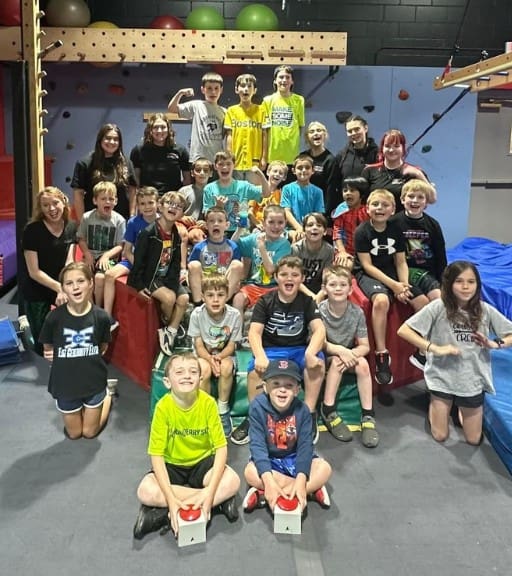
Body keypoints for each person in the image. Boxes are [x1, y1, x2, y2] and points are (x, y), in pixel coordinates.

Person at [397, 261, 512, 445]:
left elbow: (510, 333)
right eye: (459, 281)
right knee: (440, 435)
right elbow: (404, 330)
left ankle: (460, 408)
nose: (466, 287)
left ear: (477, 284)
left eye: (471, 281)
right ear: (449, 283)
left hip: (472, 379)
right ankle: (435, 402)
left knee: (473, 439)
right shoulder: (438, 307)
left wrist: (494, 343)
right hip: (442, 377)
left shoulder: (484, 310)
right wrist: (434, 348)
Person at [133, 353, 240, 540]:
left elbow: (222, 448)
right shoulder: (162, 408)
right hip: (172, 464)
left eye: (192, 371)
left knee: (233, 481)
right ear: (167, 381)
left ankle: (163, 514)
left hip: (202, 463)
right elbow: (156, 455)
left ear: (200, 379)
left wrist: (209, 489)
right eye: (179, 372)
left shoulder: (208, 404)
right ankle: (215, 504)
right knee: (145, 490)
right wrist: (203, 495)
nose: (187, 375)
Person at [231, 256, 326, 446]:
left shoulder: (307, 301)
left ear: (302, 279)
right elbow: (255, 332)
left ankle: (308, 414)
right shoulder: (265, 300)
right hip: (272, 349)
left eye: (294, 275)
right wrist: (260, 355)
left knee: (317, 362)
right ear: (276, 277)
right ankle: (255, 417)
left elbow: (320, 329)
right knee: (255, 372)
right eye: (284, 274)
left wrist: (310, 352)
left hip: (298, 349)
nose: (289, 279)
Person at [353, 189, 428, 403]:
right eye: (375, 204)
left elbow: (401, 261)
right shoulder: (362, 232)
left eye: (385, 205)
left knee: (423, 302)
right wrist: (394, 286)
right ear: (367, 208)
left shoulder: (396, 230)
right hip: (369, 274)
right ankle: (381, 355)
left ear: (393, 209)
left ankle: (421, 349)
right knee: (382, 301)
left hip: (394, 274)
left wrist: (403, 284)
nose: (379, 209)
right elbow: (367, 266)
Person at [242, 359, 332, 513]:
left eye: (289, 386)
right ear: (265, 387)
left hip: (294, 457)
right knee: (249, 472)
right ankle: (308, 490)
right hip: (271, 460)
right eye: (275, 384)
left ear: (297, 390)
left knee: (325, 469)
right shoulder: (257, 407)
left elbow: (305, 446)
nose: (282, 390)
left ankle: (267, 492)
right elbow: (257, 446)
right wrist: (269, 481)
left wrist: (301, 478)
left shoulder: (303, 410)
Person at [39, 262, 115, 440]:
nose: (75, 287)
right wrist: (50, 354)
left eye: (80, 281)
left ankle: (108, 395)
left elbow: (103, 346)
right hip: (65, 385)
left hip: (93, 382)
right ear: (63, 288)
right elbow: (48, 347)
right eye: (69, 283)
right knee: (74, 434)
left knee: (89, 433)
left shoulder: (101, 317)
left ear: (91, 283)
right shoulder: (54, 317)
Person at [319, 265, 379, 447]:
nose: (338, 288)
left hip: (348, 353)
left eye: (343, 285)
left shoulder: (357, 312)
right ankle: (328, 408)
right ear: (324, 289)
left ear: (350, 289)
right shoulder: (319, 310)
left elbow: (365, 346)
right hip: (328, 354)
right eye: (333, 284)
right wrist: (342, 351)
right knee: (337, 362)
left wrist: (351, 354)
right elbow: (320, 343)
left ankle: (368, 414)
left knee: (362, 365)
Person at [391, 179, 447, 369]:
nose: (415, 201)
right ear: (402, 199)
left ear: (426, 201)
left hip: (427, 271)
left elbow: (440, 254)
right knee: (422, 303)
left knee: (440, 301)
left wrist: (443, 281)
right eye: (411, 196)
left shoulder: (433, 225)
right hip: (404, 271)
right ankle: (422, 351)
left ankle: (434, 347)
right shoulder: (394, 222)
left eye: (420, 197)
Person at [127, 191, 190, 355]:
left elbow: (175, 262)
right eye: (170, 203)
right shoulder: (148, 233)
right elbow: (139, 261)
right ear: (160, 206)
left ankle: (170, 330)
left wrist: (174, 281)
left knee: (184, 298)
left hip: (167, 276)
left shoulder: (176, 233)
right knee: (169, 298)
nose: (173, 208)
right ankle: (172, 324)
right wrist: (138, 285)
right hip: (151, 277)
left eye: (179, 206)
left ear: (182, 213)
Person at [21, 186, 77, 355]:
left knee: (69, 329)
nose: (51, 209)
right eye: (45, 205)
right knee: (41, 341)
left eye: (55, 203)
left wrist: (66, 287)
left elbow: (70, 261)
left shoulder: (71, 226)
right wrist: (59, 288)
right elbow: (34, 271)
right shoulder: (32, 231)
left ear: (63, 202)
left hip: (60, 284)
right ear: (41, 208)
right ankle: (26, 326)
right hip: (37, 287)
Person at [188, 274, 243, 438]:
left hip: (224, 353)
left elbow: (232, 345)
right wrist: (210, 360)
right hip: (203, 354)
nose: (215, 300)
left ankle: (222, 409)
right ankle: (205, 410)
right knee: (204, 370)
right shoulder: (197, 314)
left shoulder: (234, 315)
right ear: (203, 297)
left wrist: (218, 358)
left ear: (227, 295)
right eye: (210, 295)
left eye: (220, 295)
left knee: (226, 368)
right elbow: (198, 345)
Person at [103, 186, 159, 325]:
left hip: (156, 263)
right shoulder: (133, 222)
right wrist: (139, 265)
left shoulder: (163, 221)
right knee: (109, 275)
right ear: (138, 206)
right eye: (142, 203)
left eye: (151, 202)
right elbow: (127, 251)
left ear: (158, 203)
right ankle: (107, 317)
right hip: (134, 260)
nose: (147, 207)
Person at [232, 204, 291, 320]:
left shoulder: (285, 245)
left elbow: (271, 270)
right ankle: (237, 334)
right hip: (253, 285)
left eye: (280, 222)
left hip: (274, 287)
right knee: (238, 299)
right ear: (263, 223)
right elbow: (232, 245)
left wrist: (262, 248)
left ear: (285, 224)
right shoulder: (254, 238)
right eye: (271, 222)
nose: (276, 226)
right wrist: (239, 229)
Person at [76, 181, 126, 311]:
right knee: (80, 275)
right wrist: (87, 254)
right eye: (103, 199)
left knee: (99, 278)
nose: (107, 202)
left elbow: (120, 245)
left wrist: (106, 256)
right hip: (90, 255)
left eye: (111, 199)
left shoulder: (119, 220)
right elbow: (81, 238)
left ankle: (98, 308)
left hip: (109, 258)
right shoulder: (87, 217)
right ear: (95, 200)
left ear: (116, 201)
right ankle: (89, 306)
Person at [71, 123, 136, 221]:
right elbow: (78, 194)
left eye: (116, 139)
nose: (112, 142)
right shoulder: (85, 163)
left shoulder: (126, 162)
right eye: (108, 138)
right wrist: (82, 222)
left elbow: (133, 190)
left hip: (121, 221)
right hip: (94, 222)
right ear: (100, 140)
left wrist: (132, 216)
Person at [361, 129, 431, 211]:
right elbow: (361, 202)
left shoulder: (415, 172)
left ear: (403, 148)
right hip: (376, 222)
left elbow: (431, 199)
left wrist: (419, 174)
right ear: (382, 148)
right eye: (387, 146)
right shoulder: (369, 171)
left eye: (396, 146)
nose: (391, 150)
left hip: (405, 222)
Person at [202, 150, 270, 234]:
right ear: (215, 166)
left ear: (234, 165)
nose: (224, 167)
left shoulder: (244, 186)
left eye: (228, 164)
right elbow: (206, 215)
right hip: (219, 234)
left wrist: (260, 174)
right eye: (221, 164)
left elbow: (266, 194)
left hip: (241, 232)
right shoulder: (209, 188)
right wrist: (218, 207)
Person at [187, 206, 244, 305]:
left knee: (237, 264)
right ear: (206, 225)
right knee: (194, 265)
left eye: (220, 221)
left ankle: (222, 303)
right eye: (212, 221)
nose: (216, 224)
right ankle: (198, 304)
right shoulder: (199, 247)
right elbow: (191, 272)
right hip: (205, 286)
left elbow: (237, 275)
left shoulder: (233, 247)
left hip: (224, 286)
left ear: (227, 225)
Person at [326, 115, 378, 219]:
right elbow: (333, 185)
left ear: (366, 128)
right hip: (346, 211)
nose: (353, 133)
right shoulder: (342, 155)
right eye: (350, 131)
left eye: (357, 129)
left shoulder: (378, 154)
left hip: (372, 210)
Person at [167, 72, 225, 163]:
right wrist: (180, 93)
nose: (213, 92)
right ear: (203, 89)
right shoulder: (196, 105)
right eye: (209, 88)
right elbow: (172, 108)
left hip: (216, 161)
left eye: (216, 88)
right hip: (197, 160)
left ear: (221, 90)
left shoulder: (225, 112)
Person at [130, 112, 191, 197]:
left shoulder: (181, 150)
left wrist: (180, 198)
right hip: (148, 200)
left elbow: (187, 180)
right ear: (150, 130)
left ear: (168, 129)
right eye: (155, 127)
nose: (159, 131)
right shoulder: (139, 150)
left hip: (172, 199)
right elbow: (136, 181)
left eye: (163, 127)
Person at [224, 73, 269, 181]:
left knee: (253, 194)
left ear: (255, 90)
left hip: (254, 162)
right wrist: (229, 157)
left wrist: (264, 158)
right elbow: (229, 136)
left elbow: (264, 136)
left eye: (249, 86)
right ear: (236, 89)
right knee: (237, 194)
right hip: (236, 162)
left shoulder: (261, 110)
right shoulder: (231, 111)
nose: (246, 89)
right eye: (243, 86)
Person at [263, 65, 305, 177]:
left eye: (287, 77)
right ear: (275, 81)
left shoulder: (299, 100)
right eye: (281, 77)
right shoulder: (267, 101)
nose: (284, 80)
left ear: (292, 81)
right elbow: (264, 131)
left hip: (291, 157)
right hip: (272, 156)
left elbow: (300, 126)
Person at [291, 212, 335, 303]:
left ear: (325, 231)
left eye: (319, 225)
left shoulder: (329, 250)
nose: (314, 228)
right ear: (304, 230)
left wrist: (319, 296)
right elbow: (293, 277)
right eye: (310, 225)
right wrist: (312, 297)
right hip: (298, 287)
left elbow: (327, 278)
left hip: (319, 289)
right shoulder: (296, 249)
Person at [281, 154, 325, 242]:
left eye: (307, 167)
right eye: (300, 168)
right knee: (296, 237)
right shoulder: (287, 189)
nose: (303, 170)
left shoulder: (318, 191)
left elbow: (318, 215)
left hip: (311, 228)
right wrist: (299, 228)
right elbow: (286, 212)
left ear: (313, 170)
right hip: (291, 229)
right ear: (293, 171)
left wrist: (308, 229)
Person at [332, 175, 369, 270]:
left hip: (366, 251)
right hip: (346, 251)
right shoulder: (341, 211)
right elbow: (337, 233)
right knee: (344, 265)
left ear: (362, 193)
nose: (348, 193)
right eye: (345, 191)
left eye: (352, 190)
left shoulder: (367, 211)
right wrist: (342, 252)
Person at [300, 121, 335, 210]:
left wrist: (325, 212)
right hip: (302, 204)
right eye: (312, 132)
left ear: (325, 135)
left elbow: (331, 190)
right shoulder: (302, 157)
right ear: (307, 137)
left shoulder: (330, 160)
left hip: (320, 206)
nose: (316, 133)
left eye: (319, 130)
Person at [248, 160, 287, 231]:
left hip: (274, 227)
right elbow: (250, 212)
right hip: (258, 226)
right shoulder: (257, 190)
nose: (277, 174)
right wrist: (257, 224)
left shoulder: (281, 194)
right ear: (268, 172)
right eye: (275, 171)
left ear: (284, 178)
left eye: (281, 173)